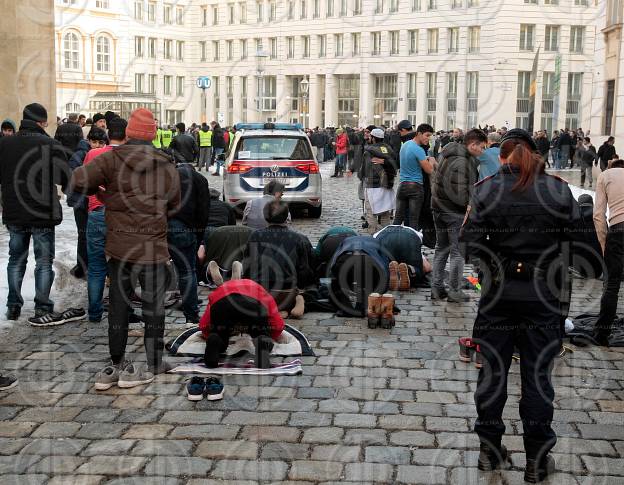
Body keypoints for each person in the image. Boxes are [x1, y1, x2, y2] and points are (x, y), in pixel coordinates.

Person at [460, 128, 582, 483]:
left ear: (505, 156)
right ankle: (537, 459)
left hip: (499, 297)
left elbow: (467, 244)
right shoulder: (558, 189)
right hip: (544, 297)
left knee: (493, 375)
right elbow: (581, 244)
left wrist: (495, 270)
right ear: (533, 153)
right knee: (538, 378)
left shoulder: (487, 190)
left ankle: (489, 451)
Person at [72, 108, 181, 389]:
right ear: (153, 134)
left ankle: (117, 362)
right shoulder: (166, 165)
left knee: (119, 305)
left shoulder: (110, 159)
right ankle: (155, 362)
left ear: (129, 132)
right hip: (153, 248)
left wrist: (103, 194)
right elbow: (175, 204)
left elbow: (78, 181)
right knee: (154, 307)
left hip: (120, 249)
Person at [0, 103, 73, 325]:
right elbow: (64, 178)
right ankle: (42, 307)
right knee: (43, 261)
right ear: (41, 122)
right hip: (42, 211)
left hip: (14, 210)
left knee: (15, 260)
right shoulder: (50, 144)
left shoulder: (5, 144)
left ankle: (13, 306)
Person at [431, 128, 487, 302]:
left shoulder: (450, 154)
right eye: (482, 147)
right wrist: (472, 205)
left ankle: (437, 288)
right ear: (472, 144)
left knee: (441, 249)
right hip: (453, 212)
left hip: (439, 208)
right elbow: (459, 195)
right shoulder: (462, 162)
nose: (483, 151)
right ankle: (454, 291)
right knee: (457, 252)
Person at [82, 118, 128, 323]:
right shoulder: (128, 158)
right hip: (120, 216)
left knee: (96, 266)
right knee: (120, 265)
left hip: (96, 213)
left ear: (108, 135)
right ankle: (120, 312)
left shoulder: (92, 153)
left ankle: (94, 313)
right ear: (127, 136)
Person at [244, 200, 315, 317]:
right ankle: (294, 302)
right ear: (287, 216)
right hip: (287, 293)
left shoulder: (255, 236)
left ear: (265, 217)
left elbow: (247, 266)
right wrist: (302, 287)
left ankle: (274, 309)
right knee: (308, 292)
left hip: (261, 293)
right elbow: (304, 270)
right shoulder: (298, 238)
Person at [199, 279, 285, 368]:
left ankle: (215, 343)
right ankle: (262, 342)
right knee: (261, 334)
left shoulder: (218, 291)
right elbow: (278, 325)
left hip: (223, 303)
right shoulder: (262, 291)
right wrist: (269, 336)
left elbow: (203, 325)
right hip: (253, 305)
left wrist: (211, 334)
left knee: (218, 335)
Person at [168, 156, 210, 324]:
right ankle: (191, 316)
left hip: (162, 225)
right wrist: (199, 237)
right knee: (187, 271)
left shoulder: (167, 176)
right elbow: (203, 211)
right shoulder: (200, 180)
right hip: (185, 228)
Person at [67, 128, 109, 279]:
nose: (97, 145)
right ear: (88, 140)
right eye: (94, 141)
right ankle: (82, 267)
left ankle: (93, 267)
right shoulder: (79, 155)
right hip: (81, 201)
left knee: (94, 237)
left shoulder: (105, 154)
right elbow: (72, 179)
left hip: (95, 202)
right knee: (83, 235)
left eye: (101, 142)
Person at [592, 156, 624, 346]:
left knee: (612, 284)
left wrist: (604, 244)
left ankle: (602, 333)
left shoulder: (605, 176)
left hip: (619, 229)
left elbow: (598, 215)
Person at [392, 123, 436, 230]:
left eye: (430, 136)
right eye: (427, 135)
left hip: (402, 186)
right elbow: (429, 170)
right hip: (415, 187)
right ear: (419, 133)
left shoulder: (405, 145)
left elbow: (410, 159)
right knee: (413, 220)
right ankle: (413, 244)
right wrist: (432, 160)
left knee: (398, 218)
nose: (428, 138)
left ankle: (390, 240)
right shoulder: (419, 149)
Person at [359, 127, 397, 234]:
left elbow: (364, 170)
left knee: (371, 212)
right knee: (385, 212)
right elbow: (395, 165)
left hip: (372, 185)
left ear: (373, 138)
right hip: (387, 185)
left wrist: (360, 176)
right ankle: (386, 235)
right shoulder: (389, 149)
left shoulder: (369, 151)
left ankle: (373, 234)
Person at [374, 224, 432, 290]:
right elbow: (427, 268)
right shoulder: (416, 234)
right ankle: (410, 269)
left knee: (383, 264)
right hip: (409, 238)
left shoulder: (377, 234)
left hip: (385, 238)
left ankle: (388, 273)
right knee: (418, 269)